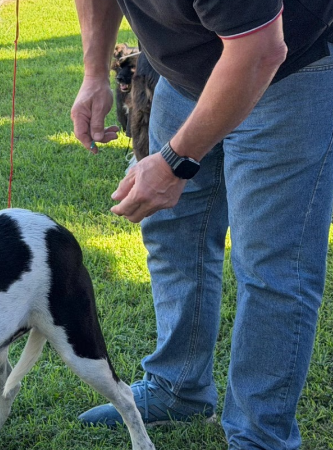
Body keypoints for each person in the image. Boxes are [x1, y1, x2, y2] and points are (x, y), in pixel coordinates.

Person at [70, 0, 333, 448]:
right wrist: (95, 73)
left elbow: (260, 50)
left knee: (272, 267)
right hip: (181, 77)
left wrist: (175, 162)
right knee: (171, 232)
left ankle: (260, 436)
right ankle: (179, 388)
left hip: (287, 74)